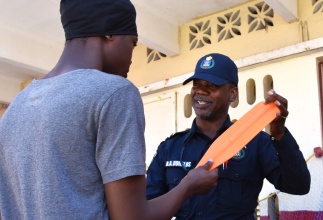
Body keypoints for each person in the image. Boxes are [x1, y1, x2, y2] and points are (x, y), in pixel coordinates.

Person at [0, 1, 219, 220]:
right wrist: (188, 186)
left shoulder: (15, 109)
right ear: (109, 33)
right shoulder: (114, 93)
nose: (132, 58)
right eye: (132, 44)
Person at [146, 53, 311, 220]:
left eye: (211, 85)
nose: (200, 91)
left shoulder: (255, 142)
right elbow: (147, 208)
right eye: (196, 85)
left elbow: (299, 186)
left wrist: (280, 134)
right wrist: (185, 188)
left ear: (232, 94)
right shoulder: (169, 148)